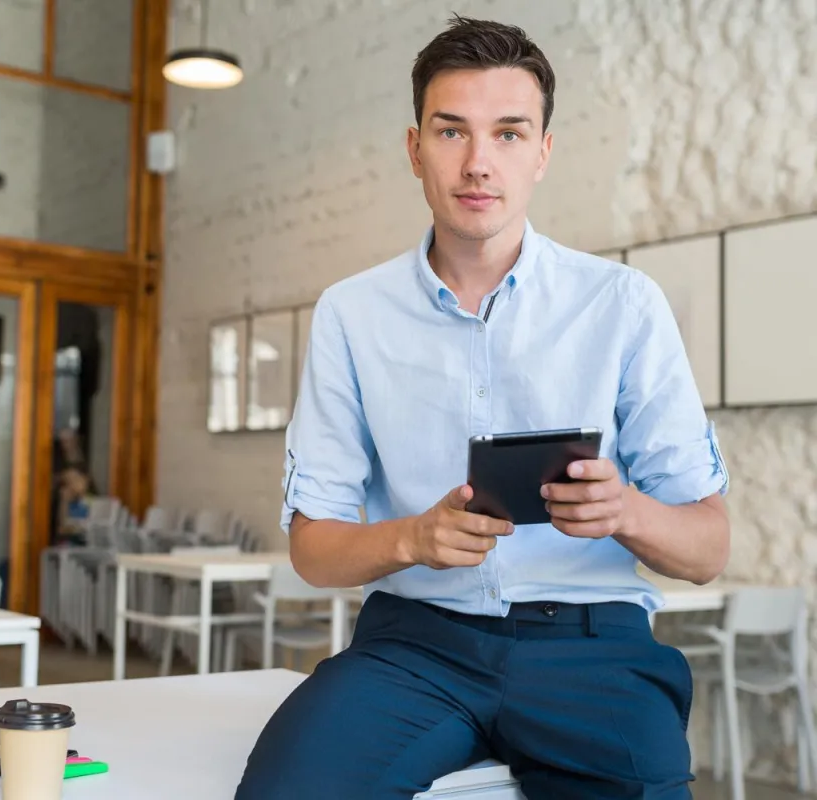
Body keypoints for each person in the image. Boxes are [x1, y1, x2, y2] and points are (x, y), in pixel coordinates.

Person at [235, 15, 730, 800]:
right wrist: (413, 538)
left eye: (507, 133)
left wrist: (624, 511)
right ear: (414, 149)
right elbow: (313, 549)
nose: (477, 163)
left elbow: (707, 551)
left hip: (592, 648)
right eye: (451, 131)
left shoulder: (625, 305)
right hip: (413, 648)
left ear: (542, 152)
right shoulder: (350, 314)